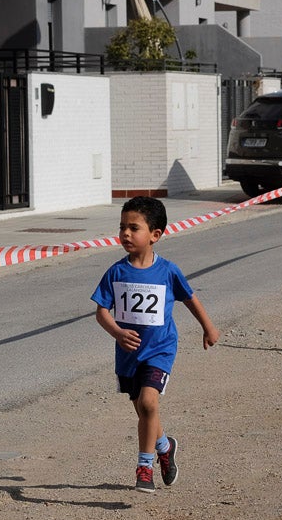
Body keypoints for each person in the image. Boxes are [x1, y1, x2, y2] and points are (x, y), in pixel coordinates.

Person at [91, 196, 220, 493]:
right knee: (143, 410)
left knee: (149, 404)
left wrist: (208, 327)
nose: (125, 233)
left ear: (155, 234)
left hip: (160, 350)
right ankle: (165, 445)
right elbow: (101, 312)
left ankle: (144, 467)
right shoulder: (116, 272)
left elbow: (189, 298)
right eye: (122, 227)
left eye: (133, 228)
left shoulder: (167, 271)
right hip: (129, 355)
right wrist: (117, 333)